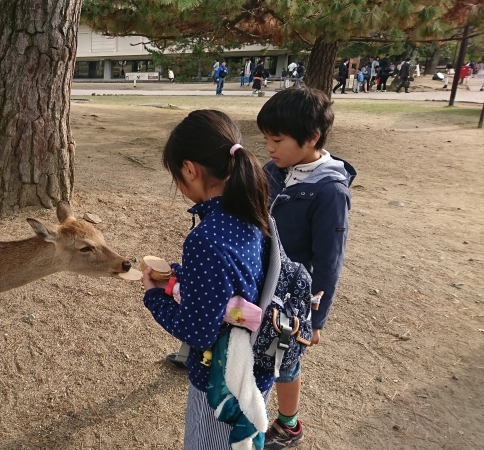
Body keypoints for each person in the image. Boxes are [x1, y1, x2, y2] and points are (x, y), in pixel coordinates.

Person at [142, 109, 275, 449]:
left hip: (222, 377)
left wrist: (155, 296)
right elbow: (236, 283)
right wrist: (183, 276)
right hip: (255, 365)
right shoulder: (252, 210)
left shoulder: (206, 238)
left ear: (190, 169)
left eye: (177, 176)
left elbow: (198, 332)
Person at [256, 87, 356, 449]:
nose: (269, 147)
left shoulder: (329, 191)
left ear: (312, 138)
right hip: (264, 279)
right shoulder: (275, 169)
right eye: (266, 138)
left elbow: (329, 261)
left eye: (277, 139)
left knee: (285, 359)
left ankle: (288, 424)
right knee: (257, 346)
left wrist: (316, 319)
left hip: (295, 297)